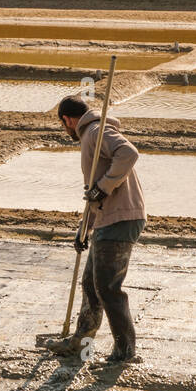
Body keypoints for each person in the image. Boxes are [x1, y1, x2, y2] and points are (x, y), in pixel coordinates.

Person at [43, 94, 146, 364]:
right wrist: (84, 230)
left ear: (67, 120)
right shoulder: (92, 134)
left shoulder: (96, 132)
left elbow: (129, 153)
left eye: (63, 125)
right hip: (107, 218)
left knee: (108, 288)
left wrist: (105, 186)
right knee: (91, 284)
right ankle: (81, 341)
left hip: (120, 219)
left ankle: (125, 353)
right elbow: (93, 194)